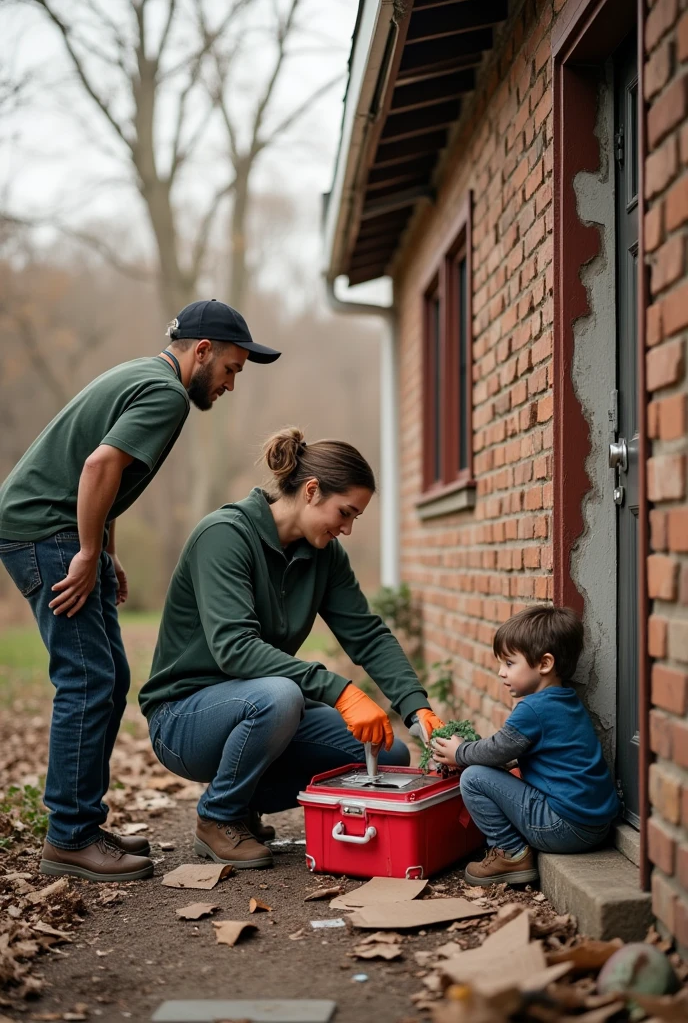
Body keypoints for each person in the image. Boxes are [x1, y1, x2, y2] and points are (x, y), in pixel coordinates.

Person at [0, 299, 280, 883]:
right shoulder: (166, 393)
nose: (230, 384)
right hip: (45, 532)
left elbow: (106, 471)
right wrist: (85, 550)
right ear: (202, 352)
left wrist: (105, 547)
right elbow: (99, 466)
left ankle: (81, 823)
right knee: (87, 678)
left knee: (109, 677)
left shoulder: (142, 374)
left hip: (53, 527)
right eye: (230, 368)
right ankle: (69, 837)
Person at [138, 427, 444, 869]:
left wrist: (417, 709)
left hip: (260, 708)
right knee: (281, 695)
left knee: (386, 752)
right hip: (184, 718)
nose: (348, 528)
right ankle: (217, 817)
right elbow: (235, 648)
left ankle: (242, 802)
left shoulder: (324, 556)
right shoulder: (224, 536)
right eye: (345, 512)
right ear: (312, 490)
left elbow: (368, 634)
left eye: (356, 517)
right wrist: (341, 691)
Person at [432, 605, 620, 887]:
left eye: (509, 663)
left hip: (565, 829)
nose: (500, 672)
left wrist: (459, 751)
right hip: (596, 826)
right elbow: (518, 753)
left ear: (544, 664)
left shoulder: (533, 709)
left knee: (473, 778)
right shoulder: (566, 700)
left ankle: (510, 853)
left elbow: (497, 750)